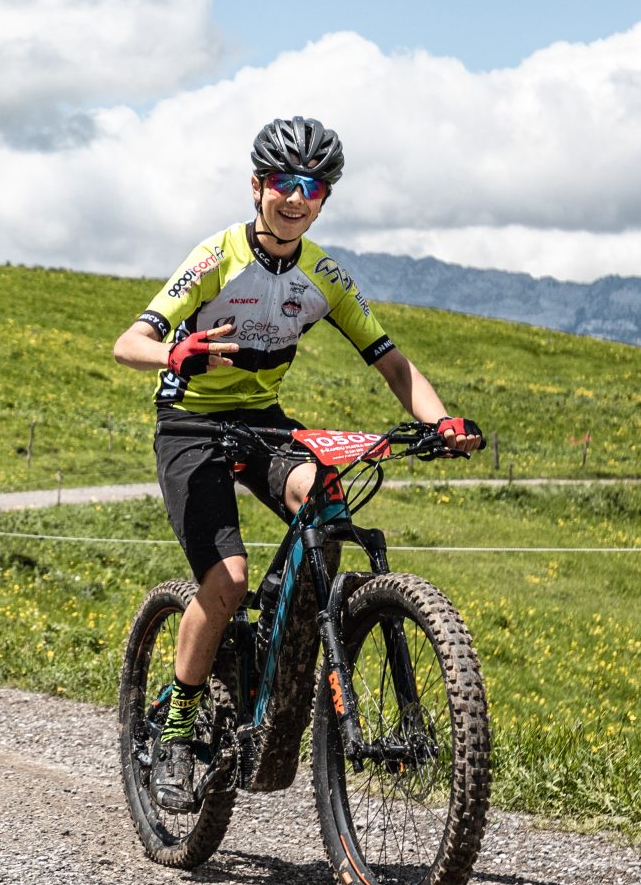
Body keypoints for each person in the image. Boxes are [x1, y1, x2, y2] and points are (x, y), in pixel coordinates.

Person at [108, 116, 482, 805]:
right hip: (191, 425)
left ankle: (284, 634)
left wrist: (442, 420)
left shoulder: (324, 275)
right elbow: (128, 341)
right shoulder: (215, 258)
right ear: (257, 187)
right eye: (282, 182)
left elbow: (393, 362)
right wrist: (175, 353)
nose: (294, 197)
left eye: (310, 186)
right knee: (225, 581)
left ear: (323, 199)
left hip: (261, 424)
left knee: (329, 500)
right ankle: (178, 726)